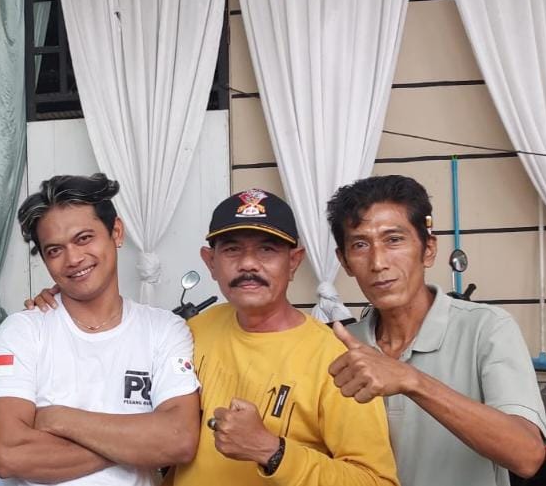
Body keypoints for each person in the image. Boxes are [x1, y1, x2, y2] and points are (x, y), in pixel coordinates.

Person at [325, 174, 546, 486]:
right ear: (345, 262)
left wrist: (412, 380)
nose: (378, 262)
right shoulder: (337, 346)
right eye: (360, 245)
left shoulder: (487, 328)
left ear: (428, 249)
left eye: (394, 240)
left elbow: (527, 456)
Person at [168, 188, 398, 486]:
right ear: (210, 262)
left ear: (294, 261)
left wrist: (272, 451)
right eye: (232, 249)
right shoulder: (193, 332)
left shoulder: (336, 360)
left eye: (267, 249)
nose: (248, 264)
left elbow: (376, 481)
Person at [0, 173, 200, 486]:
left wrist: (58, 418)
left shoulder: (165, 330)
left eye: (84, 238)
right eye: (54, 250)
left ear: (116, 232)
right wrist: (136, 443)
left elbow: (178, 440)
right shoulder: (21, 332)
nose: (73, 258)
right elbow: (9, 455)